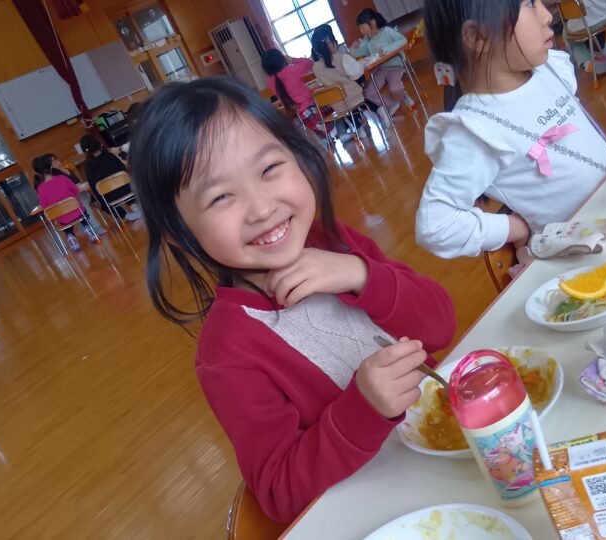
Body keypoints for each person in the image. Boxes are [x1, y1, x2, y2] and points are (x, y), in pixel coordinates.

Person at [128, 77, 456, 521]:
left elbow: (440, 325)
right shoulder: (228, 353)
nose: (262, 208)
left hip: (450, 447)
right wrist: (364, 408)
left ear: (297, 156)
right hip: (387, 513)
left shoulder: (334, 242)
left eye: (269, 169)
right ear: (179, 233)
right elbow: (279, 492)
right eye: (221, 196)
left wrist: (361, 274)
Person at [416, 0, 606, 259]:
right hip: (584, 254)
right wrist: (514, 227)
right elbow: (435, 227)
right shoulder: (474, 129)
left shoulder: (549, 70)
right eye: (529, 4)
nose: (547, 15)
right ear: (478, 37)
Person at [260, 49, 337, 139]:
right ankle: (334, 132)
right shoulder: (290, 70)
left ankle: (329, 138)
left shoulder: (270, 82)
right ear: (281, 59)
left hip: (299, 116)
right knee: (334, 103)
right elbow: (309, 63)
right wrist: (292, 60)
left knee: (321, 129)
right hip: (312, 110)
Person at [311, 24, 371, 139]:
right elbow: (357, 73)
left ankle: (358, 128)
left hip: (337, 105)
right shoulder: (341, 57)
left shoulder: (316, 67)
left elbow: (322, 81)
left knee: (344, 105)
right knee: (360, 95)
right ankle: (376, 111)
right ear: (332, 43)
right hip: (354, 97)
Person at [350, 9, 408, 122]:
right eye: (359, 28)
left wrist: (387, 49)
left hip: (396, 66)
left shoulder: (386, 31)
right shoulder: (367, 40)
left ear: (372, 22)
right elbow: (358, 53)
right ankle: (393, 105)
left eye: (362, 26)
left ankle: (403, 97)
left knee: (395, 88)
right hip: (381, 69)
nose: (361, 30)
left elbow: (403, 40)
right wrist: (355, 48)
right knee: (369, 94)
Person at [33, 155, 99, 252]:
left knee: (63, 219)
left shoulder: (40, 189)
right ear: (51, 167)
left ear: (37, 173)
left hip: (62, 218)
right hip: (77, 211)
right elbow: (76, 190)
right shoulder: (62, 178)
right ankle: (87, 227)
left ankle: (70, 235)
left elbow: (45, 206)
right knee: (82, 212)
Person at [79, 135, 141, 222]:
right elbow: (124, 170)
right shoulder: (110, 155)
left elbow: (93, 185)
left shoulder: (88, 165)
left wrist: (99, 200)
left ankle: (127, 215)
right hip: (127, 190)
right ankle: (135, 206)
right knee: (130, 183)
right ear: (98, 143)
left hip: (109, 197)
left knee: (103, 203)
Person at [45, 153, 107, 235]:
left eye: (56, 159)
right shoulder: (53, 176)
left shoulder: (64, 170)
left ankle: (85, 227)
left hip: (75, 195)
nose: (57, 162)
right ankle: (95, 227)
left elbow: (76, 180)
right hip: (66, 202)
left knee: (83, 196)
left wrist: (65, 171)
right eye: (53, 161)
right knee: (82, 200)